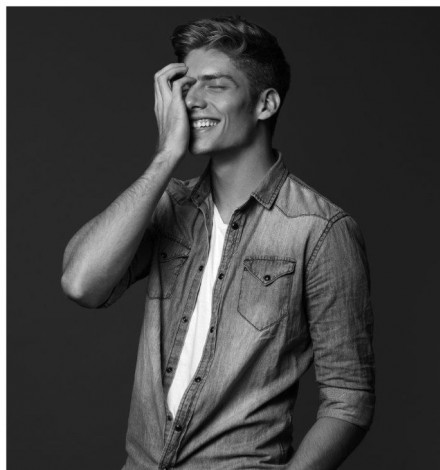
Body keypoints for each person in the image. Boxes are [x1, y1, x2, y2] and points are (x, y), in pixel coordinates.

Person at [61, 15, 375, 470]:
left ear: (265, 103)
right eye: (186, 86)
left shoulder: (320, 229)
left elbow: (350, 398)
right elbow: (81, 284)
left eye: (215, 85)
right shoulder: (167, 204)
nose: (192, 100)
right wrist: (166, 156)